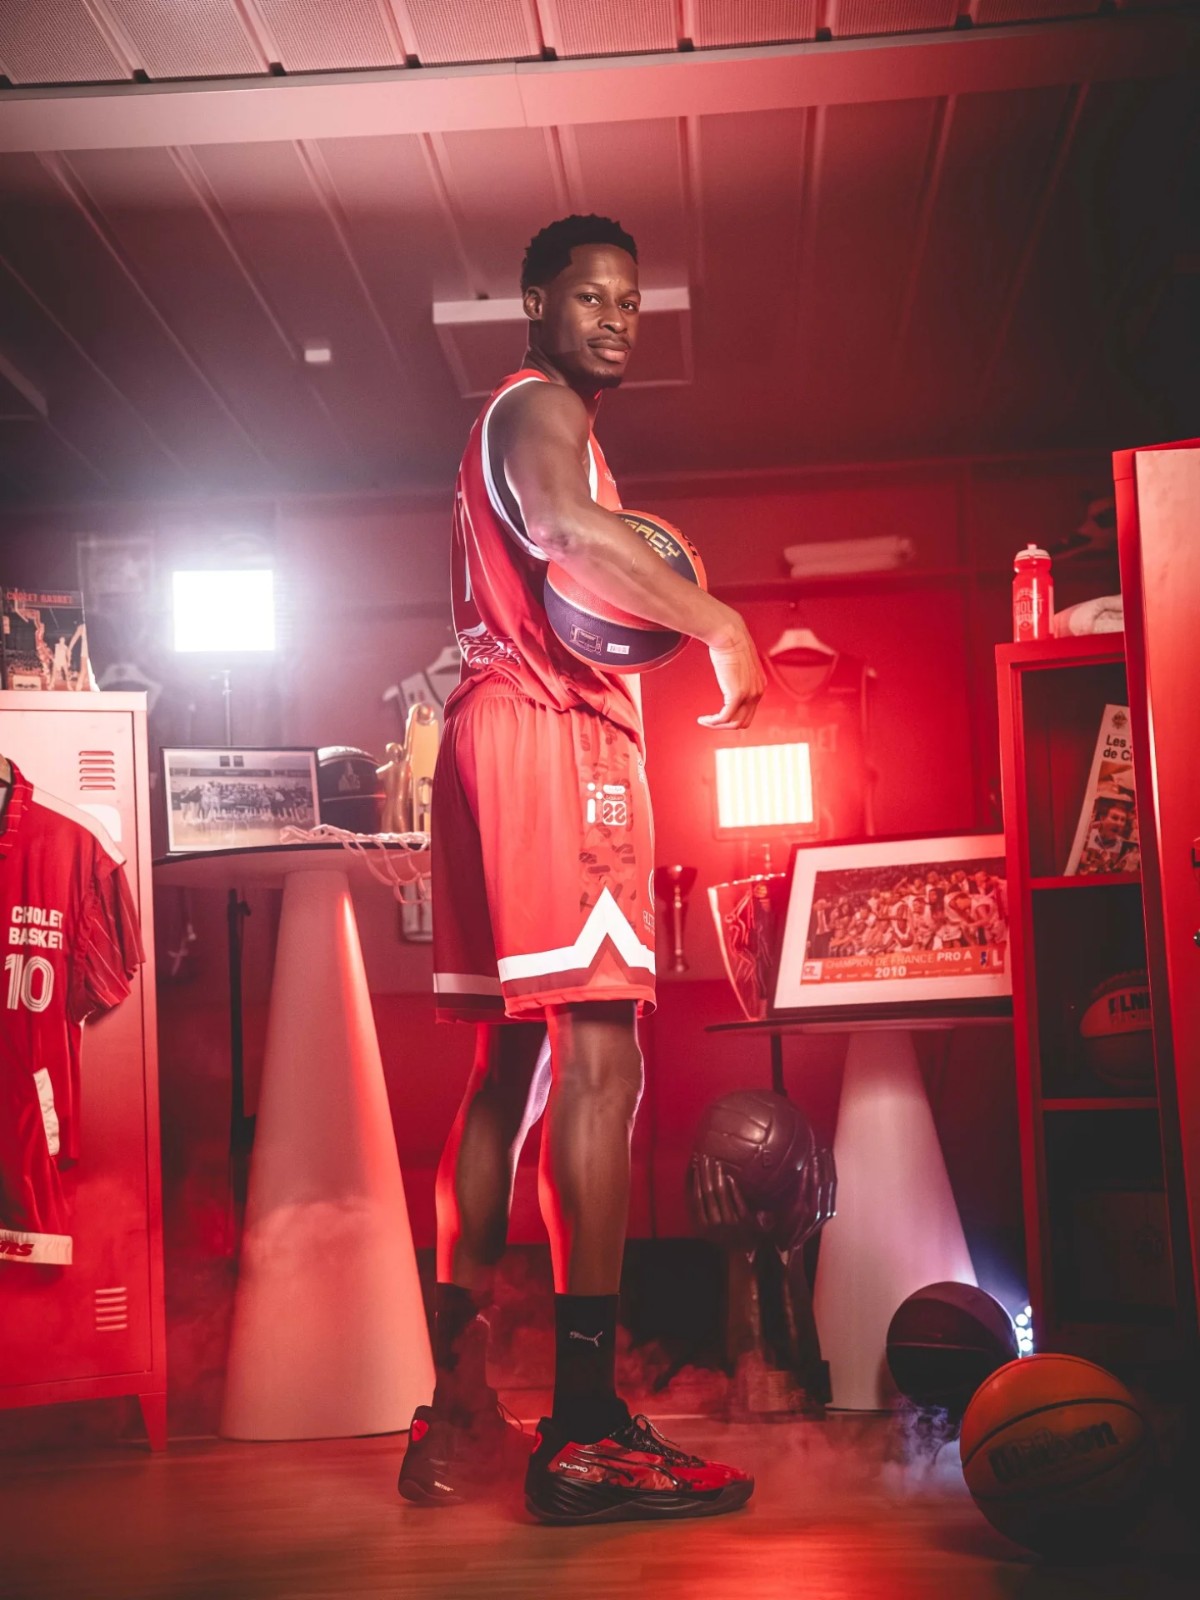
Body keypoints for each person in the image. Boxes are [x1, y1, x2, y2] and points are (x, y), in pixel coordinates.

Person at [399, 215, 765, 1523]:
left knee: (509, 1072)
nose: (614, 319)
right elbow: (564, 530)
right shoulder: (540, 408)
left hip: (484, 732)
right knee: (601, 1066)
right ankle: (590, 1432)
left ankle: (456, 1408)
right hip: (557, 733)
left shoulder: (514, 421)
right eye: (590, 296)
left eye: (629, 302)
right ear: (535, 303)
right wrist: (719, 622)